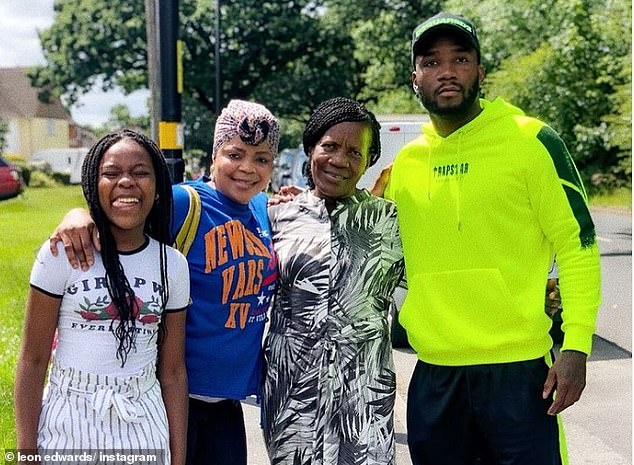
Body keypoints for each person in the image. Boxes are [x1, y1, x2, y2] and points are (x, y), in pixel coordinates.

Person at [373, 12, 602, 465]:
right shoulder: (408, 166)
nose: (447, 72)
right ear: (414, 78)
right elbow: (359, 240)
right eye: (432, 62)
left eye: (460, 59)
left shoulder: (532, 141)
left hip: (518, 375)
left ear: (480, 71)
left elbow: (578, 246)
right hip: (435, 375)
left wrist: (575, 346)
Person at [47, 100, 281, 465]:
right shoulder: (184, 203)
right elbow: (121, 208)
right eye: (235, 153)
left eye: (262, 158)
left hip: (228, 403)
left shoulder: (262, 209)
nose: (247, 168)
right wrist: (76, 214)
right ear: (215, 153)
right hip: (174, 395)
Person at [14, 129, 190, 464]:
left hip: (142, 422)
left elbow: (173, 371)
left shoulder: (173, 266)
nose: (126, 181)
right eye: (111, 173)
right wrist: (26, 454)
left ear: (157, 189)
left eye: (140, 173)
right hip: (69, 422)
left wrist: (178, 458)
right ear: (94, 185)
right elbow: (32, 360)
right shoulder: (61, 253)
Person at [262, 97, 405, 464]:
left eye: (355, 152)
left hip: (363, 400)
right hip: (292, 400)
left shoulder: (392, 222)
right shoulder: (275, 215)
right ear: (311, 148)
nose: (340, 160)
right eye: (329, 146)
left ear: (369, 161)